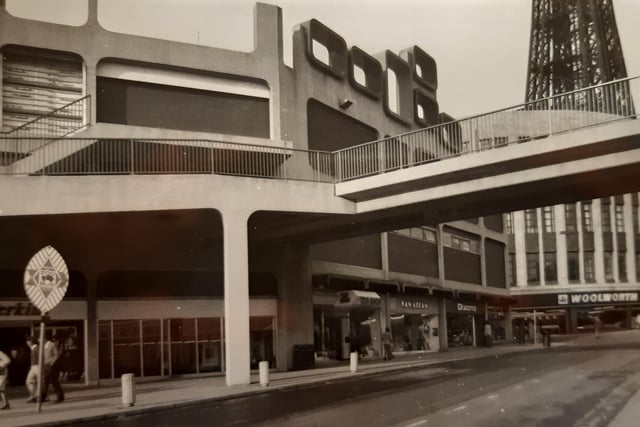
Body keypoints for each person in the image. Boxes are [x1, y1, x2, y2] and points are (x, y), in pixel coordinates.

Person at [42, 332, 64, 403]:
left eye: (40, 338)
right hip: (45, 365)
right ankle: (59, 396)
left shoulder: (52, 345)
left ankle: (60, 396)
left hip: (50, 366)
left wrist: (51, 363)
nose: (39, 340)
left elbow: (56, 354)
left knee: (51, 381)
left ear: (44, 338)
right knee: (48, 381)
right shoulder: (44, 345)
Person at [25, 336, 39, 403]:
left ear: (31, 342)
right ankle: (34, 395)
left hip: (37, 366)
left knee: (40, 381)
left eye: (27, 341)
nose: (27, 343)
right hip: (33, 366)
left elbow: (40, 357)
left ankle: (37, 396)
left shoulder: (36, 348)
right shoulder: (32, 348)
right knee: (29, 381)